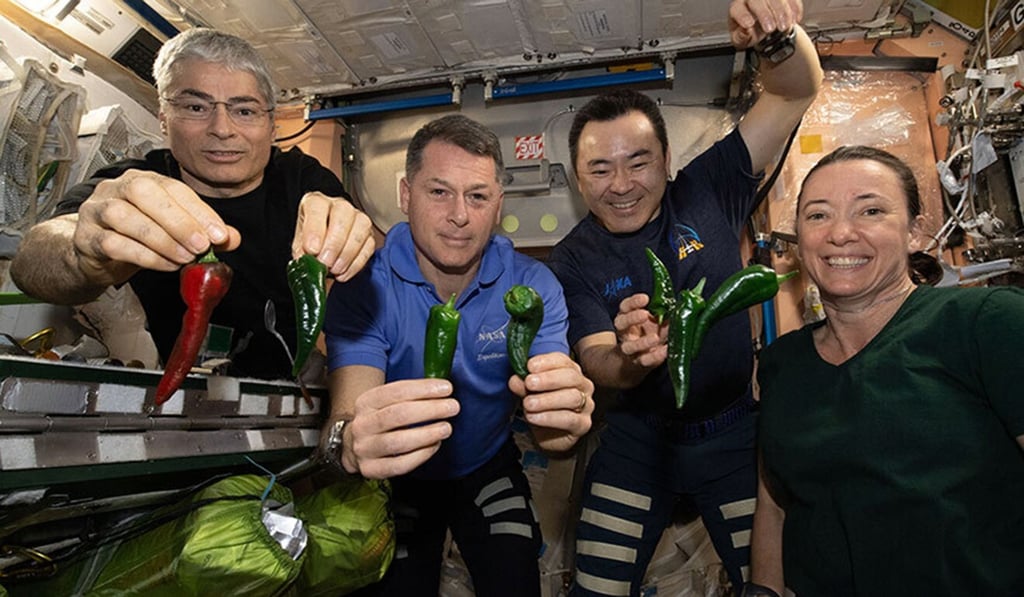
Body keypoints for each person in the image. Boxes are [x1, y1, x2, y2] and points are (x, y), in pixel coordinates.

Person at [544, 1, 823, 594]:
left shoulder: (707, 188)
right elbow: (594, 356)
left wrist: (777, 36)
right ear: (576, 178)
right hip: (634, 445)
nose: (621, 185)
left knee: (777, 583)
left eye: (638, 162)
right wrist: (630, 358)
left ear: (667, 161)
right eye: (599, 169)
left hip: (735, 437)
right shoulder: (571, 258)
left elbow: (795, 91)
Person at [319, 114, 595, 596]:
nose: (460, 215)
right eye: (439, 192)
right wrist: (346, 443)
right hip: (398, 475)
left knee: (516, 581)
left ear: (498, 205)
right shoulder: (364, 287)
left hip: (487, 465)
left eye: (478, 196)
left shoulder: (532, 286)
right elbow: (346, 414)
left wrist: (565, 420)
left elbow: (552, 431)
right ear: (406, 195)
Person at [10, 28, 374, 380]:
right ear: (163, 119)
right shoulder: (134, 183)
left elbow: (340, 217)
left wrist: (346, 231)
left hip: (293, 375)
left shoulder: (300, 177)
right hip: (184, 377)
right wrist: (81, 253)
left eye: (245, 111)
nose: (222, 129)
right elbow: (33, 261)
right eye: (196, 107)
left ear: (271, 125)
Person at [748, 146, 1024, 597]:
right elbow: (774, 504)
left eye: (870, 210)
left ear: (915, 231)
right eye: (818, 215)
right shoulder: (783, 363)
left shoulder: (987, 322)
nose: (840, 233)